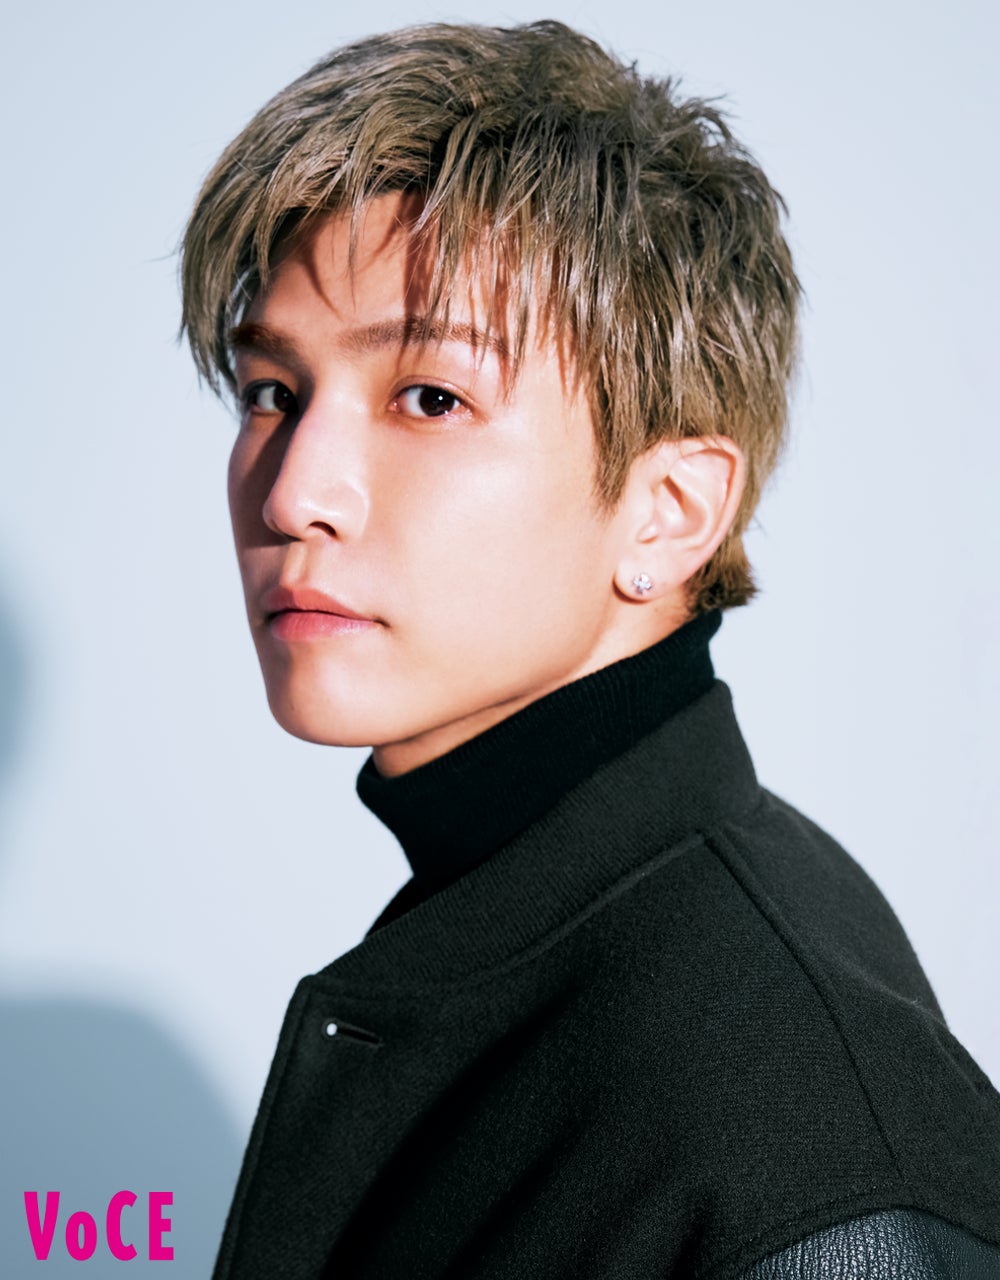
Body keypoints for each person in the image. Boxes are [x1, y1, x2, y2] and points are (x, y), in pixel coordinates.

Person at [179, 20, 1000, 1279]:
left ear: (668, 512)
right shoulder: (536, 925)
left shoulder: (805, 1151)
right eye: (271, 393)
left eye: (431, 396)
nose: (293, 492)